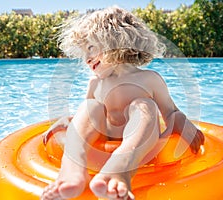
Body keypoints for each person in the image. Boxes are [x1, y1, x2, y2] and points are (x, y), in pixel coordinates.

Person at [41, 6, 204, 200]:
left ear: (115, 41)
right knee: (90, 106)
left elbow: (170, 112)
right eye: (84, 52)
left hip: (141, 148)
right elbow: (87, 121)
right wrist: (68, 122)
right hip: (104, 142)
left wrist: (180, 121)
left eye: (91, 47)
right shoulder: (95, 83)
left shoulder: (150, 79)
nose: (86, 58)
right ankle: (73, 170)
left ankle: (120, 169)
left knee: (145, 105)